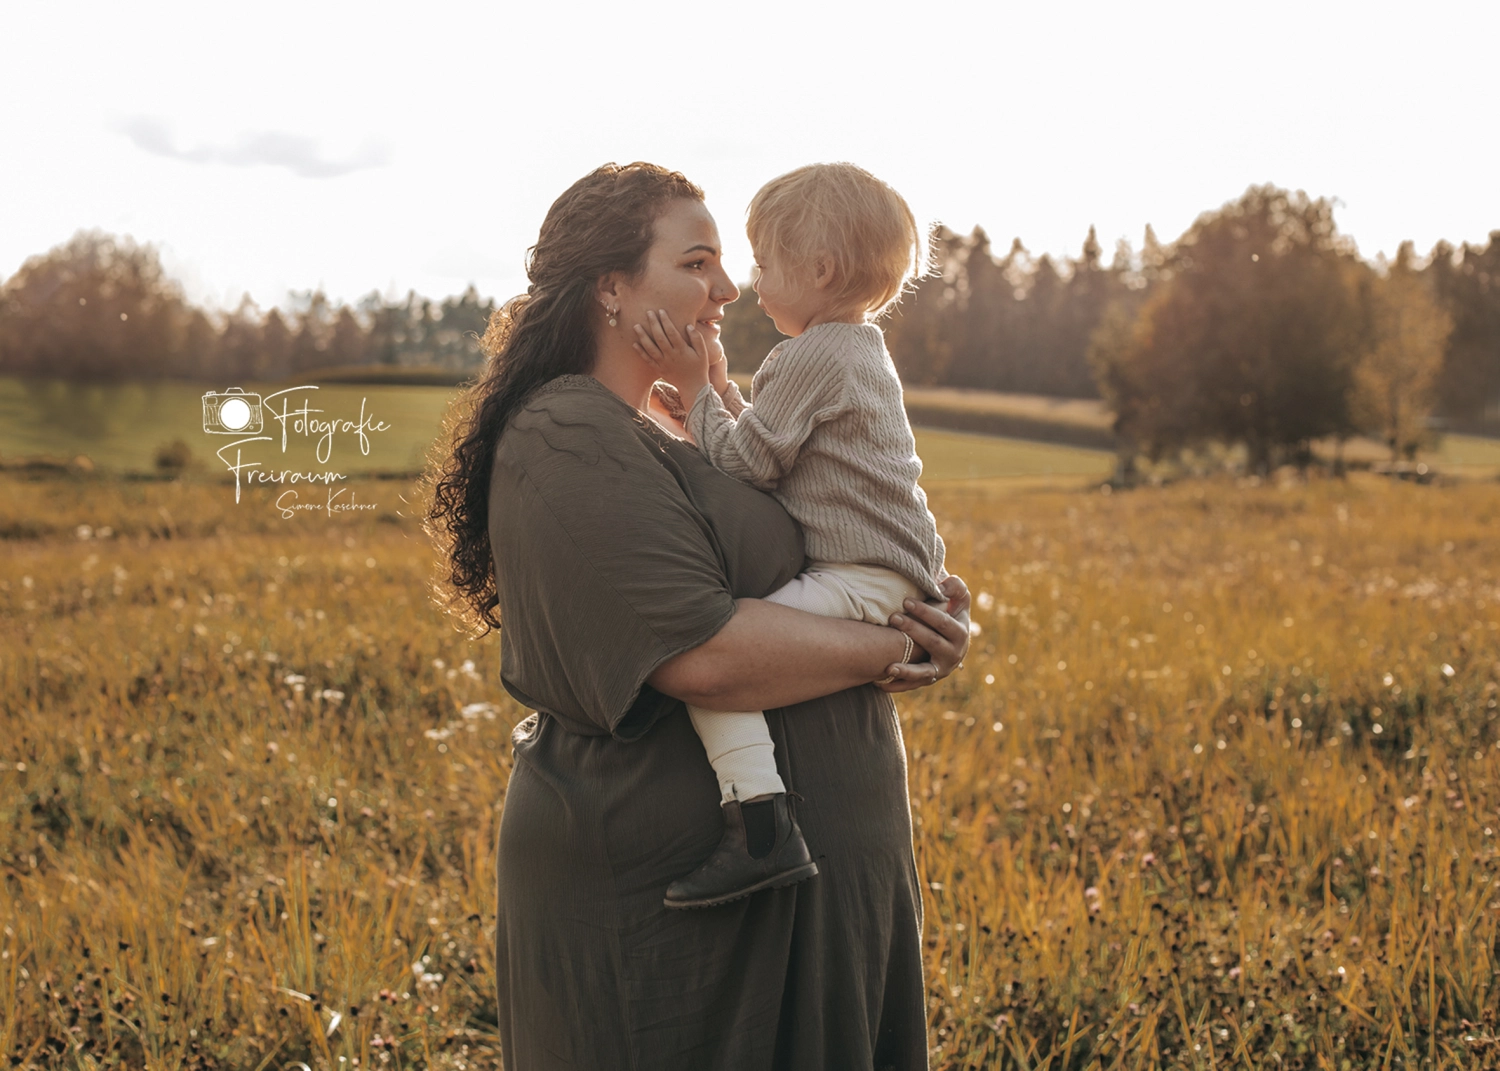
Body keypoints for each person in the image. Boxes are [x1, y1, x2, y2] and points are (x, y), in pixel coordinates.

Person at [426, 161, 971, 1070]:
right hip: (669, 902)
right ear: (611, 287)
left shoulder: (657, 428)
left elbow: (848, 528)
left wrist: (933, 625)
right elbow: (704, 656)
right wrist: (889, 645)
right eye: (697, 264)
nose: (727, 290)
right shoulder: (568, 435)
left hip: (831, 885)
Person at [631, 163, 949, 911]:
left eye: (764, 263)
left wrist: (702, 391)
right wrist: (716, 389)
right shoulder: (856, 349)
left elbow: (749, 462)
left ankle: (760, 820)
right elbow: (775, 437)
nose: (752, 281)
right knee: (737, 641)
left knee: (722, 647)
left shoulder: (810, 353)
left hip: (861, 577)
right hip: (889, 572)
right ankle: (761, 815)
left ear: (820, 268)